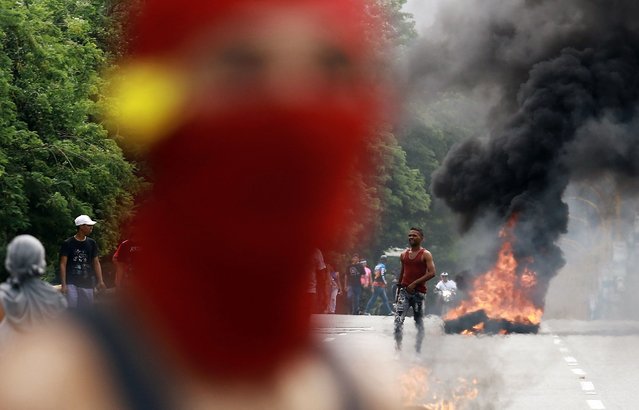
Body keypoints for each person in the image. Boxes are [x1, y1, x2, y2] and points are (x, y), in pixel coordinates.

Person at [0, 1, 396, 408]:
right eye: (244, 66)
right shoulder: (50, 385)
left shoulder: (359, 390)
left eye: (332, 68)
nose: (296, 107)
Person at [0, 235, 67, 346]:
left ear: (11, 260)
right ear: (40, 261)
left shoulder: (4, 296)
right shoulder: (55, 298)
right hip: (43, 353)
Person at [394, 227, 436, 355]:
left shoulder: (425, 254)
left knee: (418, 323)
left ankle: (417, 351)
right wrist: (399, 288)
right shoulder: (403, 255)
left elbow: (432, 273)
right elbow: (403, 271)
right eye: (409, 235)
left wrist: (414, 283)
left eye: (414, 236)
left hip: (419, 294)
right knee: (398, 321)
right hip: (404, 293)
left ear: (421, 238)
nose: (411, 237)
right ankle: (398, 350)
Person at [59, 215, 106, 308]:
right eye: (88, 225)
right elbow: (63, 264)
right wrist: (63, 284)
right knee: (73, 309)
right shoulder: (68, 243)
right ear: (81, 226)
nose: (91, 227)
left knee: (87, 309)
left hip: (87, 281)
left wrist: (100, 281)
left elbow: (96, 262)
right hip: (71, 281)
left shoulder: (92, 243)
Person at [307, 248, 328, 313]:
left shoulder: (316, 252)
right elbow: (322, 272)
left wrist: (324, 292)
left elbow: (322, 273)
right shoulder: (315, 251)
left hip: (310, 288)